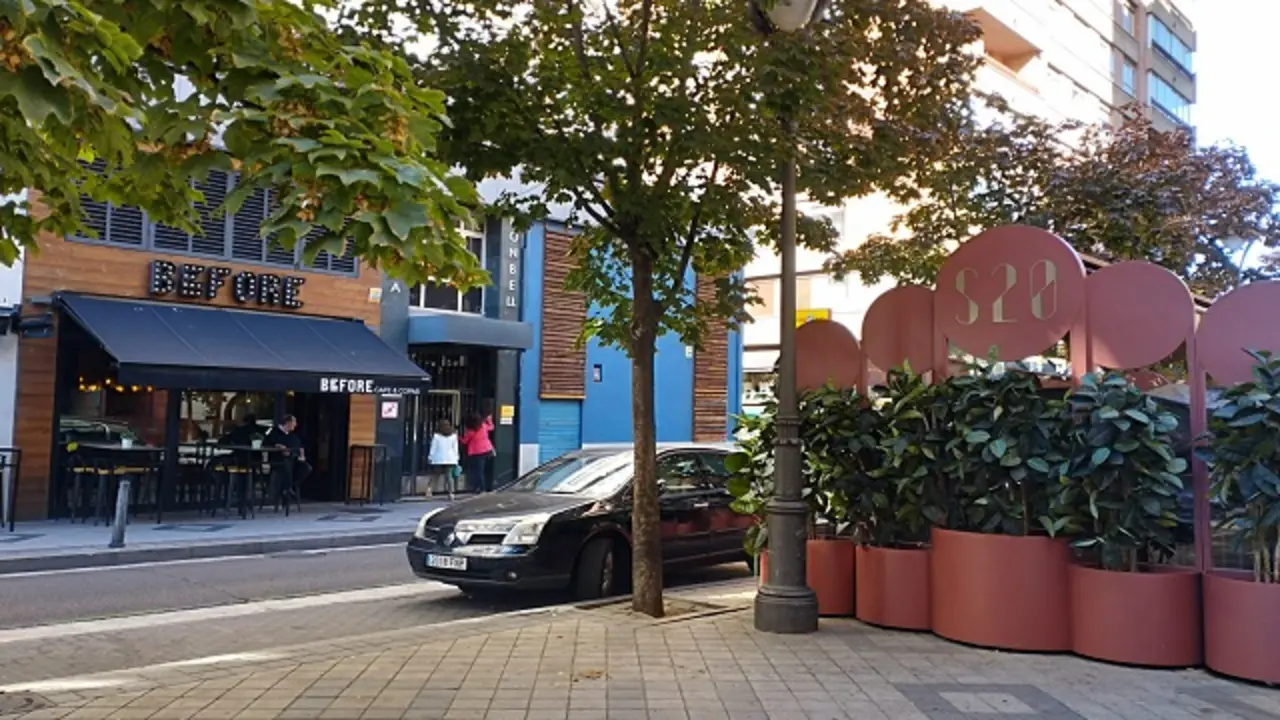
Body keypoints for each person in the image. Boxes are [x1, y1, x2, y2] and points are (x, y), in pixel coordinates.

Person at [265, 414, 311, 507]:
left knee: (306, 467)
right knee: (287, 466)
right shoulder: (274, 432)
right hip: (278, 460)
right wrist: (278, 446)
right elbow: (268, 443)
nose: (295, 425)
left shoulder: (292, 435)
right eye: (294, 422)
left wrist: (302, 456)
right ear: (288, 423)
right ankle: (286, 490)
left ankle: (289, 487)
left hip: (293, 460)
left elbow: (300, 446)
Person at [459, 408, 495, 492]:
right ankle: (487, 486)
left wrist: (457, 437)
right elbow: (492, 427)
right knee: (485, 471)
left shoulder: (470, 431)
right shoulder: (483, 426)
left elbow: (464, 441)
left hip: (477, 453)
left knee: (478, 471)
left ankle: (480, 488)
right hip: (488, 451)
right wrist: (489, 420)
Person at [427, 417, 461, 499]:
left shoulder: (436, 436)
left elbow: (433, 448)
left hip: (438, 458)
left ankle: (429, 491)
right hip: (450, 458)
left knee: (435, 475)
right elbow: (455, 448)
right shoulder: (453, 435)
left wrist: (430, 456)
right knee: (449, 476)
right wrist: (456, 458)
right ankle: (451, 493)